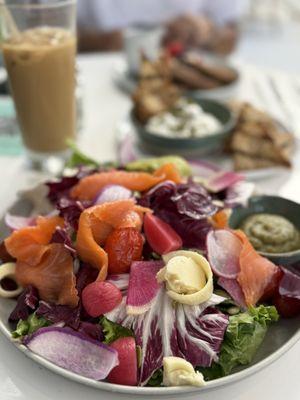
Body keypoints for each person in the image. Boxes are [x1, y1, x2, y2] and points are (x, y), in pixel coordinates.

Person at [77, 0, 249, 54]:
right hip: (96, 81)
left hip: (190, 89)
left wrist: (208, 32)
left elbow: (231, 40)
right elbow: (52, 31)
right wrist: (102, 42)